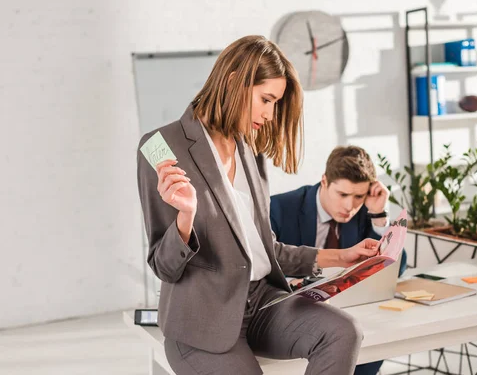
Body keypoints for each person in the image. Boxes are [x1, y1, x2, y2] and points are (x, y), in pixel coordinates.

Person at [137, 35, 383, 375]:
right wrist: (186, 217)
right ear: (235, 80)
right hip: (202, 322)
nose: (269, 114)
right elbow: (164, 267)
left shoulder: (248, 151)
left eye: (275, 103)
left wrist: (343, 257)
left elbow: (266, 250)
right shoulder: (160, 146)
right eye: (266, 99)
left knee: (343, 332)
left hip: (262, 303)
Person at [270, 146, 408, 375]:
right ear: (324, 181)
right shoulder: (279, 208)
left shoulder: (366, 212)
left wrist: (379, 216)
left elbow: (397, 268)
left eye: (358, 196)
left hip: (351, 310)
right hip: (294, 312)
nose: (349, 206)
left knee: (371, 343)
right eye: (342, 195)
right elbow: (263, 263)